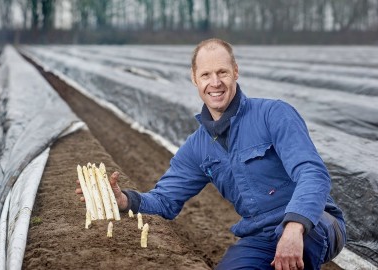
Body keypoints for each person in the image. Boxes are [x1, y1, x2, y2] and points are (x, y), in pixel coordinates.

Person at [76, 38, 346, 269]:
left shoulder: (273, 114)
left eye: (222, 72)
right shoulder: (198, 147)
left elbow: (313, 173)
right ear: (194, 78)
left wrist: (295, 226)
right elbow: (165, 200)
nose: (215, 83)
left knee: (300, 247)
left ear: (236, 72)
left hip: (315, 221)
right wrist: (124, 200)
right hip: (261, 234)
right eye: (206, 75)